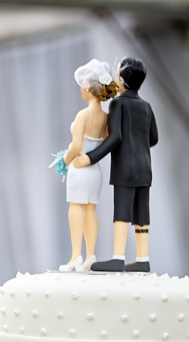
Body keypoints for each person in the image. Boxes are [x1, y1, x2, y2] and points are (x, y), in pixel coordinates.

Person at [73, 57, 158, 272]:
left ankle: (118, 258)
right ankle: (143, 258)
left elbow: (115, 138)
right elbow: (153, 138)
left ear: (122, 80)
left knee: (122, 211)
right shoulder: (147, 106)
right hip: (145, 169)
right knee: (141, 213)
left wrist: (91, 157)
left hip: (125, 169)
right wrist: (138, 142)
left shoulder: (118, 104)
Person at [59, 59, 119, 272]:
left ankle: (76, 255)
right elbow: (103, 142)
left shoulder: (83, 115)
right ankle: (90, 254)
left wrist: (64, 161)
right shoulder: (105, 117)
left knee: (76, 208)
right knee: (91, 209)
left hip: (79, 168)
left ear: (90, 88)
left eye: (84, 84)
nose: (81, 87)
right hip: (94, 170)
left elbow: (76, 145)